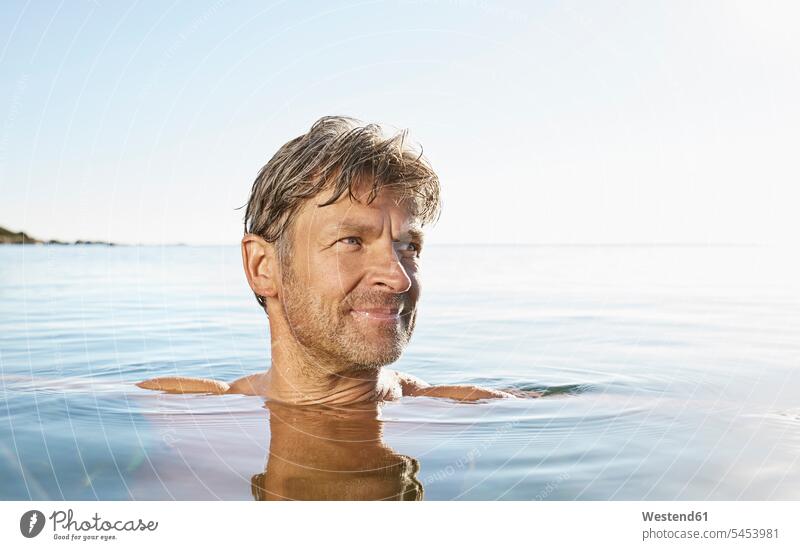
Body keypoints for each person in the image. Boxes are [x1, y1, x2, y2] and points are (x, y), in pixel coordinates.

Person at [137, 116, 541, 405]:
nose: (398, 279)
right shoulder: (174, 410)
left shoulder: (467, 414)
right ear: (263, 267)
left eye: (408, 247)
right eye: (351, 240)